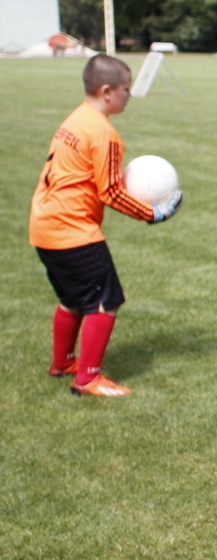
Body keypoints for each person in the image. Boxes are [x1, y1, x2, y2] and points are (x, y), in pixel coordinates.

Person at [29, 54, 183, 397]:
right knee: (105, 299)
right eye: (126, 89)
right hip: (72, 231)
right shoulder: (104, 133)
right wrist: (153, 213)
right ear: (107, 91)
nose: (130, 95)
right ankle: (88, 378)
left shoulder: (76, 119)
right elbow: (111, 191)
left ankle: (63, 361)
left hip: (44, 225)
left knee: (72, 298)